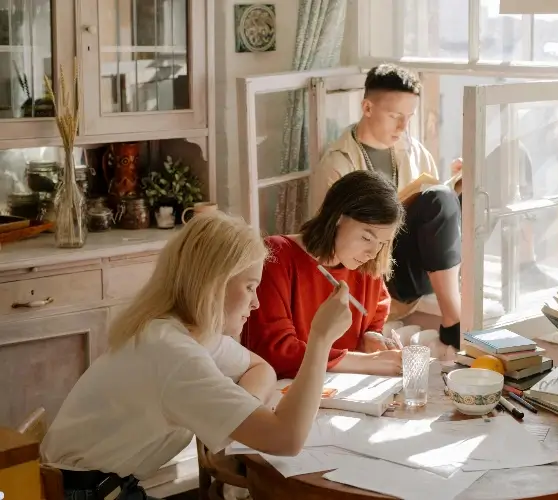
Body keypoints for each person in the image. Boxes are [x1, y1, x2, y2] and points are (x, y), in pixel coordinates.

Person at [41, 212, 353, 500]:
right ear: (213, 285)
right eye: (249, 287)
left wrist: (240, 412)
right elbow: (286, 440)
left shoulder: (184, 332)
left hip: (106, 486)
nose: (256, 303)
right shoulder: (173, 355)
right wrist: (320, 339)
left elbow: (261, 368)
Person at [310, 63, 462, 351]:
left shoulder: (415, 151)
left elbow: (435, 221)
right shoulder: (337, 163)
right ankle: (454, 322)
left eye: (409, 117)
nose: (403, 127)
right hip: (377, 271)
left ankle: (457, 307)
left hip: (421, 266)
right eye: (395, 116)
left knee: (472, 182)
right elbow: (328, 242)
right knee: (439, 199)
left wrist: (456, 188)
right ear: (367, 108)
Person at [244, 171, 406, 379]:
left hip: (342, 390)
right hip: (285, 391)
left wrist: (371, 337)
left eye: (382, 243)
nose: (373, 253)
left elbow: (375, 315)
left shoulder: (366, 266)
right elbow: (276, 352)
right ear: (338, 217)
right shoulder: (277, 256)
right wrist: (367, 362)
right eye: (366, 237)